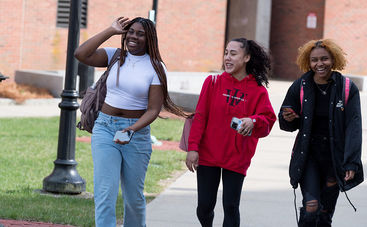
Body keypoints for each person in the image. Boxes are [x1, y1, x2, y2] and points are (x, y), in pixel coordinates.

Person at [74, 17, 187, 227]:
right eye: (131, 32)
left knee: (133, 197)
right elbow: (80, 54)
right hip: (105, 129)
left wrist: (132, 129)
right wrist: (111, 30)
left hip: (136, 134)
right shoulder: (115, 56)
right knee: (105, 191)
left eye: (140, 33)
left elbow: (154, 109)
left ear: (149, 38)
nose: (134, 36)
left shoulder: (155, 67)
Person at [185, 38, 276, 227]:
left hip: (237, 157)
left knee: (231, 206)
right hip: (208, 154)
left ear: (247, 58)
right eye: (226, 53)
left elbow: (268, 120)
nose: (227, 57)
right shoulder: (212, 82)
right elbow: (200, 117)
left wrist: (254, 120)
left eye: (233, 54)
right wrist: (193, 148)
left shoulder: (258, 90)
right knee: (204, 206)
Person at [278, 39, 364, 226]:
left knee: (324, 213)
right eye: (314, 60)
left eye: (324, 59)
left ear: (333, 60)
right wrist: (289, 118)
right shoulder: (300, 86)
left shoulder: (347, 88)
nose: (319, 64)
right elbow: (285, 122)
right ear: (308, 63)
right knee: (311, 206)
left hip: (335, 158)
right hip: (308, 155)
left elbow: (354, 127)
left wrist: (352, 162)